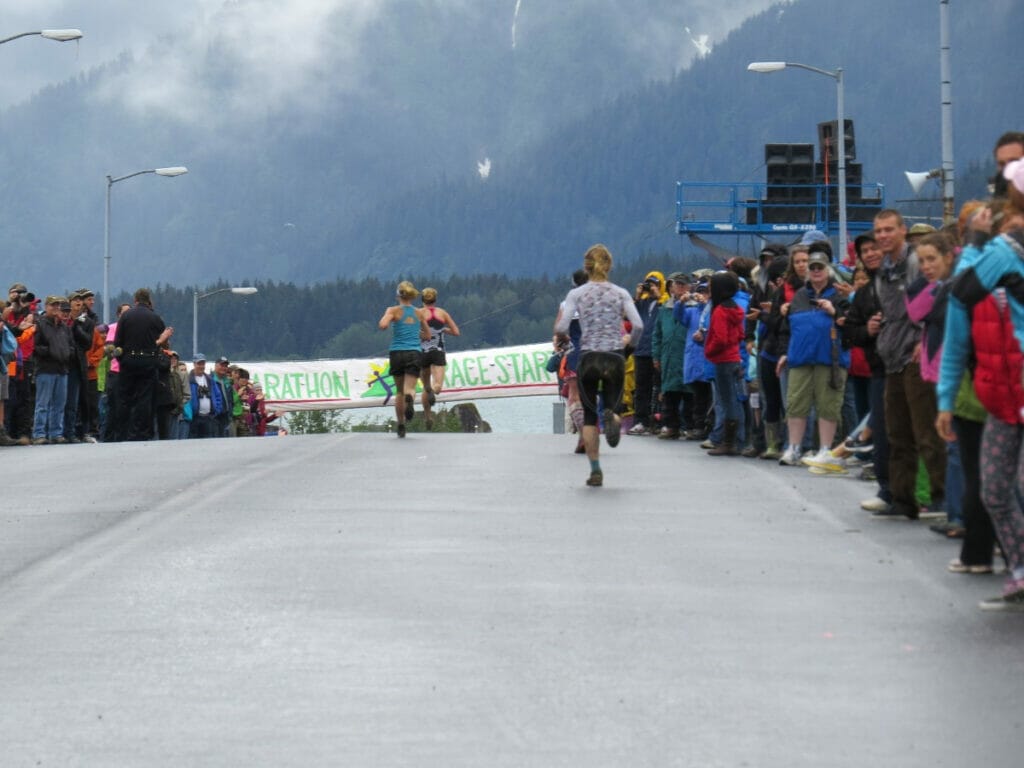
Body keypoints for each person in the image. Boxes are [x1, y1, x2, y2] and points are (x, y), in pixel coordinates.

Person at [937, 191, 1024, 609]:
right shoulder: (975, 283)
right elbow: (953, 345)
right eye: (1002, 235)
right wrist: (944, 400)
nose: (1009, 242)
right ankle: (1021, 571)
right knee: (993, 491)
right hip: (1000, 403)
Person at [872, 209, 946, 519]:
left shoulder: (916, 263)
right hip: (892, 359)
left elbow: (932, 301)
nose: (883, 236)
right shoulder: (882, 271)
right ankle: (902, 499)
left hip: (916, 357)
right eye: (879, 231)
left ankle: (942, 500)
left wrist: (922, 341)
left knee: (926, 432)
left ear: (903, 231)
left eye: (889, 229)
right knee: (897, 433)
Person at [554, 244, 643, 486]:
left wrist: (564, 338)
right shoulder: (621, 293)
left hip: (588, 355)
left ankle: (595, 470)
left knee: (590, 416)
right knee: (613, 405)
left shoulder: (577, 294)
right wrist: (629, 346)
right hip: (614, 355)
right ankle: (613, 418)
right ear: (609, 265)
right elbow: (638, 325)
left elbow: (562, 327)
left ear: (587, 266)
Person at [776, 252, 850, 470]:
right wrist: (785, 353)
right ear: (807, 272)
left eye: (820, 267)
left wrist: (833, 311)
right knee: (795, 403)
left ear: (828, 270)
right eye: (813, 267)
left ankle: (826, 449)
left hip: (831, 359)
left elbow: (851, 323)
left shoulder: (839, 294)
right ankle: (794, 447)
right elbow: (787, 328)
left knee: (829, 405)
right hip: (800, 358)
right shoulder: (798, 296)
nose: (816, 271)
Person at [113, 288, 174, 441]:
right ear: (149, 301)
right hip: (147, 362)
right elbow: (163, 344)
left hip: (128, 361)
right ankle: (141, 433)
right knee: (145, 399)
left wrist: (123, 361)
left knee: (124, 399)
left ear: (135, 300)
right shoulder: (155, 318)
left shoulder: (125, 317)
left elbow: (117, 343)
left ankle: (121, 433)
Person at [379, 280, 430, 438]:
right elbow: (427, 335)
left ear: (398, 295)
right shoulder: (419, 313)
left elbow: (382, 325)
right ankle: (411, 398)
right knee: (410, 388)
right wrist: (416, 333)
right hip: (414, 352)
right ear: (412, 296)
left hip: (397, 352)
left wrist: (389, 319)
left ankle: (401, 423)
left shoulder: (393, 310)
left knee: (399, 392)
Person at [703, 271, 746, 456]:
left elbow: (720, 339)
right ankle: (739, 439)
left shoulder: (720, 311)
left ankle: (730, 442)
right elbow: (741, 335)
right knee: (735, 400)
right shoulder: (735, 308)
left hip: (723, 361)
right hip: (735, 358)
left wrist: (708, 350)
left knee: (728, 402)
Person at [553, 269, 589, 452]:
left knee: (574, 395)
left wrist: (563, 339)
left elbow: (559, 329)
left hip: (575, 351)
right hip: (596, 351)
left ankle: (583, 433)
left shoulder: (567, 303)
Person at [31, 296, 73, 444]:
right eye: (53, 305)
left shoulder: (64, 327)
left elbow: (71, 345)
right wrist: (50, 351)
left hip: (62, 369)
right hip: (45, 369)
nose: (56, 308)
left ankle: (56, 432)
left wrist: (67, 353)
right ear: (47, 306)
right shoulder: (40, 325)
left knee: (59, 404)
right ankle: (39, 433)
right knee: (42, 404)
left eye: (58, 305)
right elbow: (35, 346)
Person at [627, 271, 665, 435]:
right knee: (641, 388)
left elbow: (666, 310)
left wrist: (658, 296)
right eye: (649, 284)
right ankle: (641, 421)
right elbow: (629, 316)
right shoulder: (642, 303)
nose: (651, 287)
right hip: (641, 350)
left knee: (660, 388)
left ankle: (661, 420)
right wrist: (637, 296)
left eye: (655, 284)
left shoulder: (664, 302)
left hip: (657, 351)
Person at [652, 272, 689, 439]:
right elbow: (657, 335)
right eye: (677, 284)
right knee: (669, 393)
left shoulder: (694, 306)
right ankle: (671, 426)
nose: (680, 287)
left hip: (687, 356)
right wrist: (656, 356)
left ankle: (690, 426)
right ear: (671, 287)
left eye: (683, 284)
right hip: (668, 356)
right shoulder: (664, 308)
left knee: (689, 393)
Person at [419, 287, 460, 430]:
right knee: (437, 386)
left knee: (425, 386)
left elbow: (411, 333)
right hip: (438, 351)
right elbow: (456, 332)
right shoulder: (442, 313)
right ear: (435, 299)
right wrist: (443, 330)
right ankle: (433, 390)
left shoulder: (418, 313)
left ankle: (428, 415)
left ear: (422, 300)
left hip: (422, 352)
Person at [186, 354, 225, 438]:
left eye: (203, 364)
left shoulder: (210, 380)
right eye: (199, 364)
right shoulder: (189, 380)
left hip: (209, 417)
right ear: (194, 364)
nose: (201, 366)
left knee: (208, 443)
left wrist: (216, 410)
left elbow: (218, 396)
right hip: (195, 418)